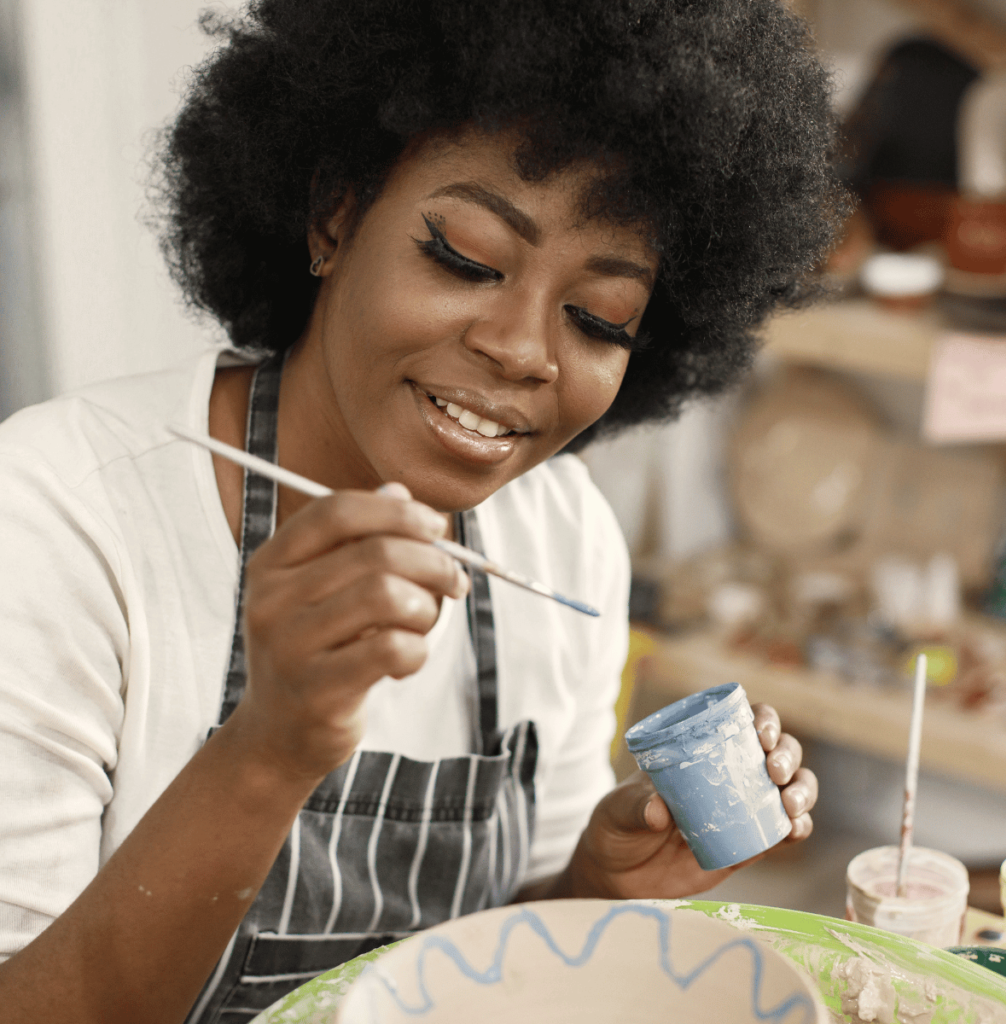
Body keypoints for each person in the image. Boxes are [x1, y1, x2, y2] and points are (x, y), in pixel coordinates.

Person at [0, 1, 844, 1021]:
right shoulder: (54, 518)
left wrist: (594, 889)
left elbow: (505, 965)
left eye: (597, 318)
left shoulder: (562, 538)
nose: (524, 350)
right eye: (466, 258)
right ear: (334, 214)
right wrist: (271, 746)